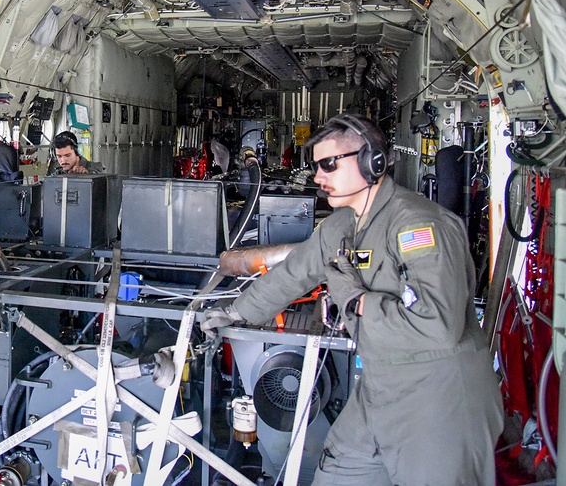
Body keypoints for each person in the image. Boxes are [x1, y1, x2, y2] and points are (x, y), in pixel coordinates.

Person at [200, 114, 502, 485]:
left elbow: (438, 327)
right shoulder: (343, 226)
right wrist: (233, 312)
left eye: (329, 164)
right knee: (338, 470)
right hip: (380, 386)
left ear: (370, 162)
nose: (317, 176)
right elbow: (295, 272)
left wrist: (355, 300)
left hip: (439, 397)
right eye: (315, 167)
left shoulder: (419, 226)